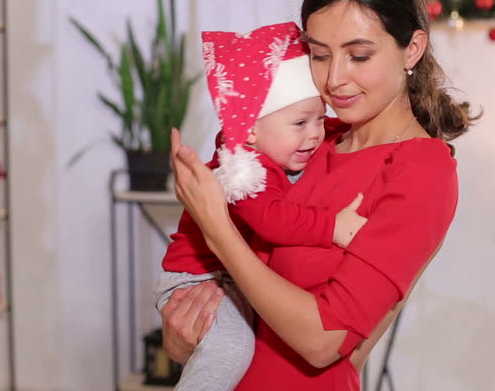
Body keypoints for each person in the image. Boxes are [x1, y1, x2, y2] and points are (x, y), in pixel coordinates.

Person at [163, 0, 479, 390]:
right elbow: (214, 310)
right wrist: (182, 337)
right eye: (318, 54)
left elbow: (323, 340)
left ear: (412, 48)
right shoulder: (312, 139)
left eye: (359, 56)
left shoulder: (422, 170)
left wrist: (215, 225)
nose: (334, 79)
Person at [155, 22, 367, 390]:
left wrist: (350, 128)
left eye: (319, 118)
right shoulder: (242, 173)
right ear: (250, 131)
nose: (315, 133)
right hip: (197, 280)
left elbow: (326, 128)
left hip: (228, 276)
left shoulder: (277, 145)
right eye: (301, 122)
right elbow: (272, 221)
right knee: (231, 349)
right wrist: (331, 226)